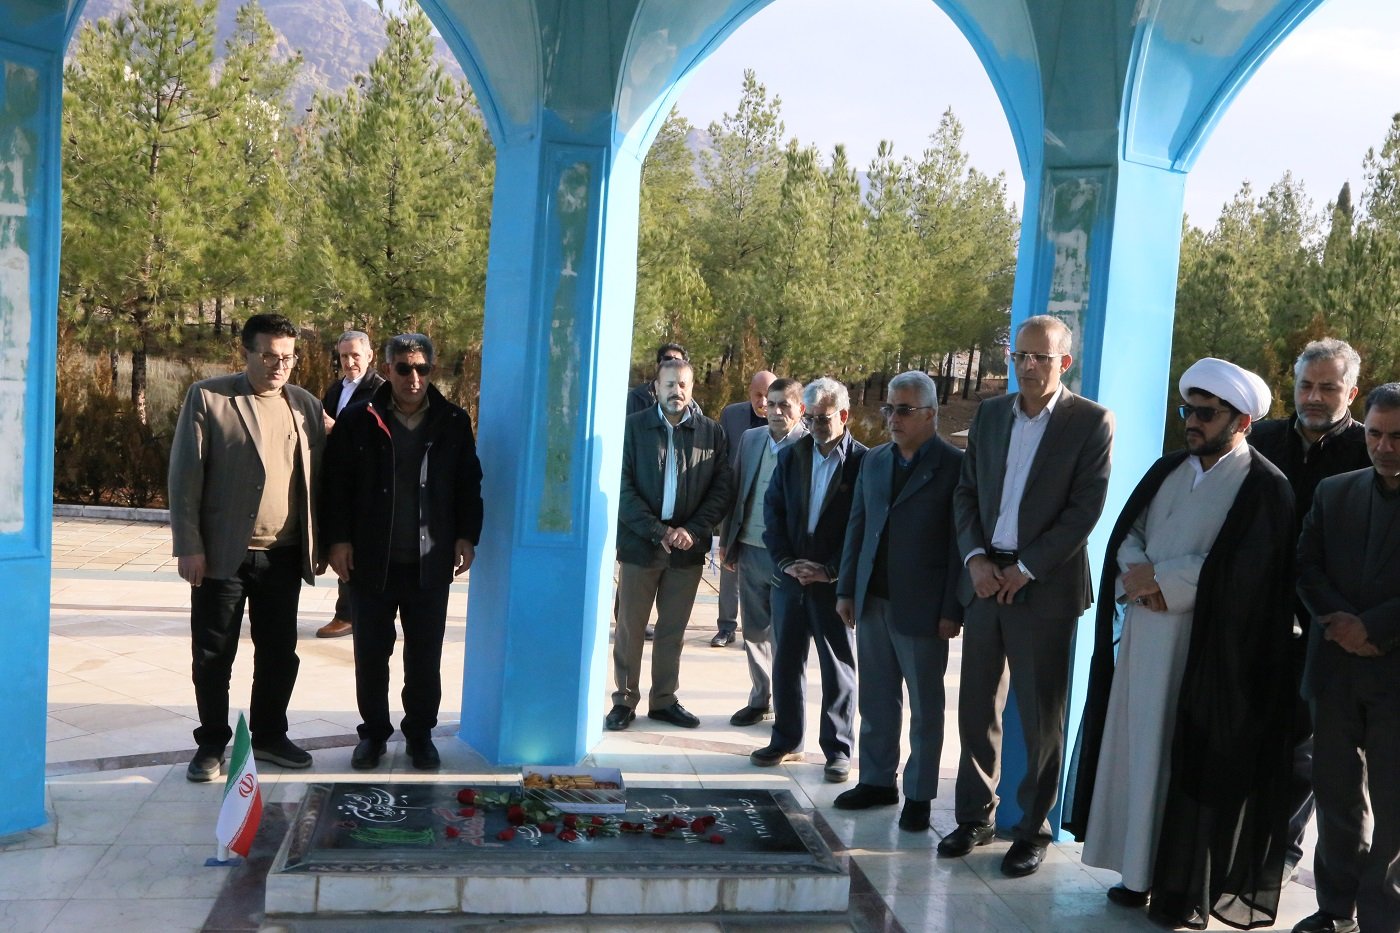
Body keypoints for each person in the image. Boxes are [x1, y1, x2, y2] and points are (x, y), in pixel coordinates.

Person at [1066, 357, 1296, 930]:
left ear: (1242, 421)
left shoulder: (1265, 486)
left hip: (1208, 656)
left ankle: (1179, 887)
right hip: (1145, 641)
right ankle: (1136, 874)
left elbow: (1248, 570)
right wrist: (1139, 574)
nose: (1192, 422)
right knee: (1140, 755)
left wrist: (1165, 582)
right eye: (1187, 410)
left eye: (1206, 413)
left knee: (1186, 764)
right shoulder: (1168, 468)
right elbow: (1130, 534)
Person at [942, 314, 1113, 876]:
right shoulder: (991, 414)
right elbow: (966, 493)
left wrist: (1027, 568)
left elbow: (1084, 510)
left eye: (1041, 357)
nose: (1029, 366)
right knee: (977, 708)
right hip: (985, 581)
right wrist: (976, 560)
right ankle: (974, 817)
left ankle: (1033, 828)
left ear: (1065, 362)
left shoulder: (1090, 422)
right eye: (1021, 356)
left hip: (1044, 589)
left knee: (1042, 717)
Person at [168, 313, 325, 782]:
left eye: (288, 357)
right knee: (213, 654)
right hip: (222, 555)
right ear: (247, 352)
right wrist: (189, 545)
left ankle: (270, 735)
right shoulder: (209, 397)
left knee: (279, 652)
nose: (280, 366)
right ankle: (212, 742)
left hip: (284, 555)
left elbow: (322, 480)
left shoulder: (306, 405)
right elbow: (185, 477)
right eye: (270, 356)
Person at [319, 333, 483, 771]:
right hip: (372, 560)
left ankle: (420, 735)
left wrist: (467, 536)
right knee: (372, 655)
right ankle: (373, 734)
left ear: (432, 370)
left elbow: (468, 483)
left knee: (424, 657)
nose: (414, 378)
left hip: (430, 561)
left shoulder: (452, 420)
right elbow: (335, 485)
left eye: (422, 369)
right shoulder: (358, 419)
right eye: (405, 368)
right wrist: (337, 540)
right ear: (388, 369)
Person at [1248, 338, 1369, 878]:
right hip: (1255, 614)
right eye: (1306, 386)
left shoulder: (1368, 451)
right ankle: (1238, 846)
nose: (1314, 397)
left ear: (1352, 393)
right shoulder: (1260, 440)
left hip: (1326, 620)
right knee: (1246, 732)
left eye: (1328, 387)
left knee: (1306, 748)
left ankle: (1282, 853)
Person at [832, 371, 964, 832]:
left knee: (925, 706)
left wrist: (952, 609)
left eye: (904, 410)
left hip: (925, 609)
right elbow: (857, 526)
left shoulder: (954, 466)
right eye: (889, 408)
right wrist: (846, 589)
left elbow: (959, 545)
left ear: (931, 414)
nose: (893, 418)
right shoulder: (874, 461)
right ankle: (876, 781)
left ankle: (920, 794)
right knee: (877, 698)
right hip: (872, 600)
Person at [1293, 382, 1400, 933]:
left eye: (1397, 437)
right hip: (1334, 672)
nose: (1384, 447)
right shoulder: (1335, 492)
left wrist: (1373, 628)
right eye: (1376, 434)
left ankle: (1385, 918)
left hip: (1393, 676)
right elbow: (1306, 565)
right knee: (1335, 798)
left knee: (1394, 809)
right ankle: (1336, 910)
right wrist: (1340, 623)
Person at [751, 377, 867, 783]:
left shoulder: (863, 463)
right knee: (785, 661)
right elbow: (773, 512)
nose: (816, 425)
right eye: (812, 417)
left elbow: (861, 528)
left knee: (838, 668)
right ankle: (786, 739)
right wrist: (786, 562)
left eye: (824, 418)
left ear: (844, 416)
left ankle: (837, 750)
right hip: (790, 578)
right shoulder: (792, 455)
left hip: (833, 585)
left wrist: (829, 570)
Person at [607, 357, 733, 731]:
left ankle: (664, 700)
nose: (676, 391)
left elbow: (721, 489)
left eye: (683, 385)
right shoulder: (632, 428)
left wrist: (691, 531)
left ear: (691, 388)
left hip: (686, 550)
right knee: (630, 629)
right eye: (669, 384)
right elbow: (621, 487)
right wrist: (658, 531)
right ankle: (624, 700)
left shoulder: (712, 433)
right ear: (655, 389)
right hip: (640, 546)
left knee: (672, 630)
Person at [718, 377, 807, 726]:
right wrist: (727, 541)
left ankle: (787, 707)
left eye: (785, 404)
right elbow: (737, 490)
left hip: (787, 558)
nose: (776, 411)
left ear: (800, 409)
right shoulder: (751, 439)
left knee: (785, 635)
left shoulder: (809, 446)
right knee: (754, 631)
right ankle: (760, 698)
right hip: (749, 549)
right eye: (771, 404)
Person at [315, 330, 386, 639]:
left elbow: (377, 435)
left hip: (364, 485)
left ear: (369, 356)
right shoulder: (337, 388)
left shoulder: (380, 390)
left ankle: (348, 614)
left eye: (355, 355)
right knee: (339, 544)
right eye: (344, 356)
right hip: (338, 478)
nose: (349, 361)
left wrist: (337, 428)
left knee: (352, 550)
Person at [712, 370, 777, 647]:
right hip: (737, 500)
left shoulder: (784, 416)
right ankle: (726, 626)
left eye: (768, 396)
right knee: (729, 567)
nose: (762, 402)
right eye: (757, 395)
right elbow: (721, 456)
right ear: (749, 392)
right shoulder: (732, 415)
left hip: (769, 506)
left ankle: (763, 631)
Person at [625, 342, 688, 416]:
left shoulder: (692, 408)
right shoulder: (635, 398)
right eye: (667, 359)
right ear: (657, 366)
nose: (672, 365)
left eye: (678, 362)